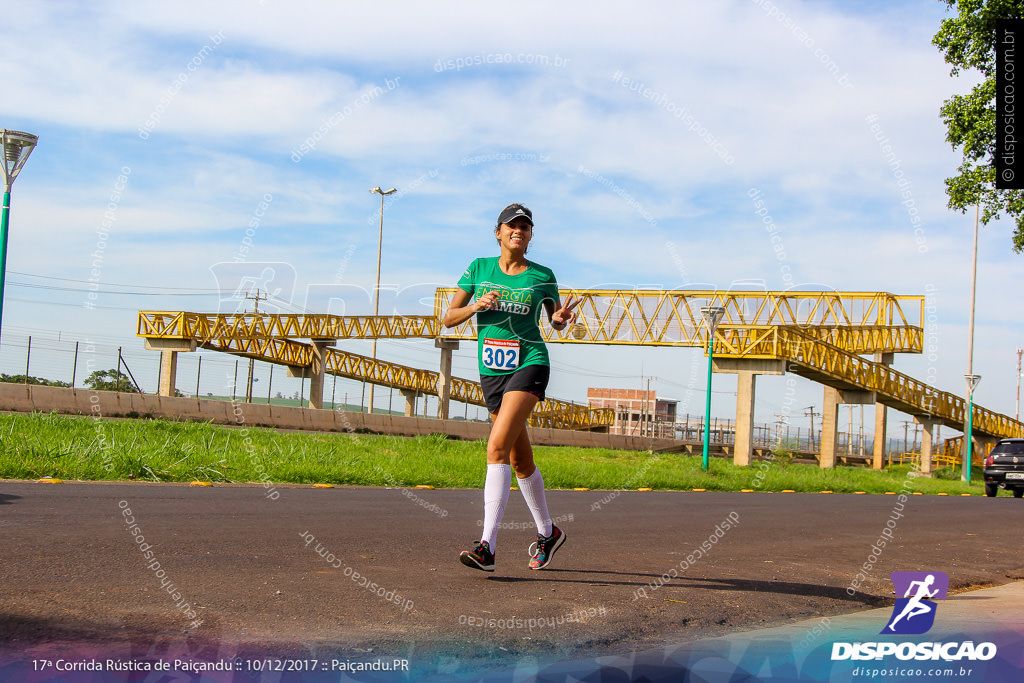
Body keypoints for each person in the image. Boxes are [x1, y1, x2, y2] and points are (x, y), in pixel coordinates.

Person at [442, 203, 580, 572]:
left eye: (525, 226)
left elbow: (555, 321)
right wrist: (475, 307)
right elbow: (448, 318)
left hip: (530, 361)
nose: (518, 230)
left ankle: (487, 547)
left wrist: (561, 319)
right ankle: (548, 533)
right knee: (519, 459)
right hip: (492, 370)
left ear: (530, 235)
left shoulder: (542, 275)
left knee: (497, 446)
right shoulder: (479, 268)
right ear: (499, 232)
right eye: (512, 225)